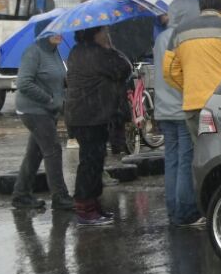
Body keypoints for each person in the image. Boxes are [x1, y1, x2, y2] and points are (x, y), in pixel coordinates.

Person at [63, 26, 133, 226]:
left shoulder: (78, 51)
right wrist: (110, 48)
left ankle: (92, 205)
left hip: (86, 115)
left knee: (93, 161)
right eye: (104, 31)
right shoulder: (95, 54)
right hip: (90, 116)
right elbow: (124, 68)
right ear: (94, 33)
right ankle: (85, 209)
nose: (107, 34)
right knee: (90, 163)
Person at [164, 0, 221, 148]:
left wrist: (189, 87)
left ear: (200, 9)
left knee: (202, 152)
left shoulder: (179, 31)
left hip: (193, 103)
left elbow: (169, 71)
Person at [150, 0, 201, 226]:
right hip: (183, 107)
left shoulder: (160, 37)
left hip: (163, 107)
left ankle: (172, 208)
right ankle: (186, 212)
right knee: (185, 160)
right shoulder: (185, 38)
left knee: (170, 159)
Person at [12, 25, 71, 211]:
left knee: (35, 153)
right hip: (33, 110)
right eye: (52, 31)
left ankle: (21, 195)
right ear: (42, 34)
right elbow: (23, 83)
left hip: (49, 111)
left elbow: (58, 78)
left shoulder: (55, 53)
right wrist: (49, 99)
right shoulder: (33, 52)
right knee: (53, 150)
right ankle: (60, 197)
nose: (58, 34)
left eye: (59, 30)